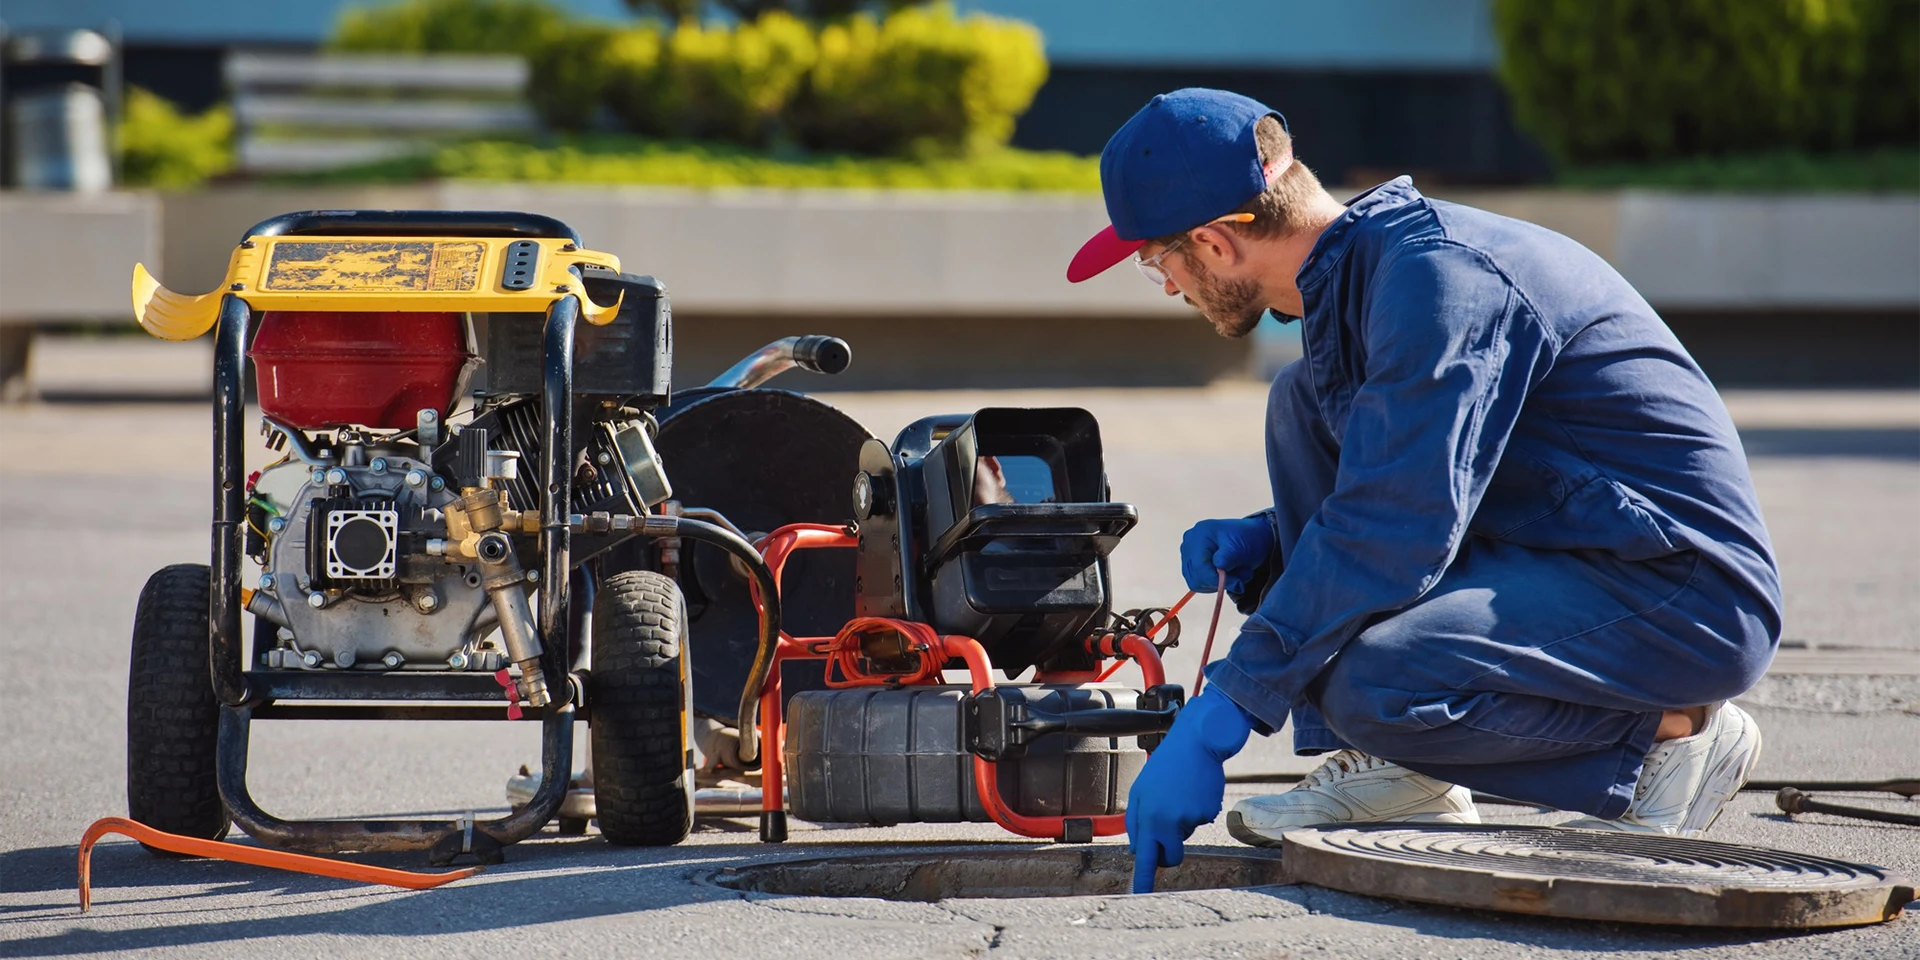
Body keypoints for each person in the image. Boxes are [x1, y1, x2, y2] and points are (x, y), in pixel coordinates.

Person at [1064, 89, 1782, 894]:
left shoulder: (1439, 282)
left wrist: (1221, 714)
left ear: (1213, 242)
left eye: (1156, 260)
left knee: (1376, 681)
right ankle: (1408, 775)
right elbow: (1421, 474)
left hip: (1682, 594)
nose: (1165, 286)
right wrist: (1272, 536)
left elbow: (1391, 526)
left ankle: (1671, 738)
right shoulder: (1370, 283)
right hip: (1577, 552)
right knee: (1300, 404)